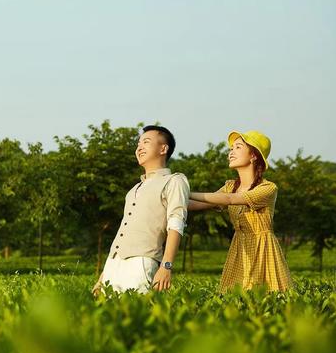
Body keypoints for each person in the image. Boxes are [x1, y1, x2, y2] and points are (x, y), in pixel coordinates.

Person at [188, 130, 292, 292]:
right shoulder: (230, 186)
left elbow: (230, 199)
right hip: (239, 249)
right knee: (233, 299)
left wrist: (184, 191)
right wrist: (166, 197)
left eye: (238, 147)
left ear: (254, 156)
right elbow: (196, 205)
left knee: (265, 299)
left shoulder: (267, 188)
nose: (231, 152)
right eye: (231, 148)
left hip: (262, 249)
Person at [92, 125, 189, 294]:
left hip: (142, 262)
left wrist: (166, 266)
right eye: (138, 144)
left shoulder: (174, 181)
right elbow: (123, 231)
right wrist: (102, 277)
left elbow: (176, 223)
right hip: (113, 263)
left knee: (135, 317)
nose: (139, 147)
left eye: (146, 142)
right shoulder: (134, 189)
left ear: (163, 148)